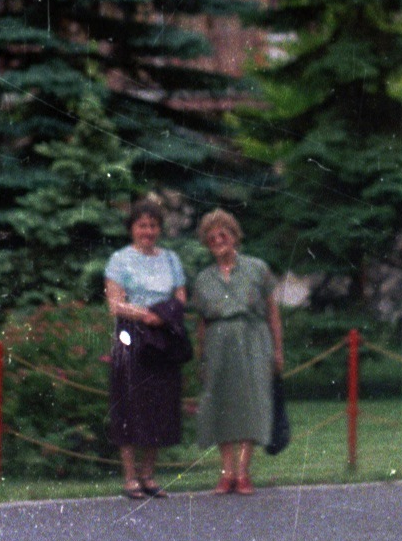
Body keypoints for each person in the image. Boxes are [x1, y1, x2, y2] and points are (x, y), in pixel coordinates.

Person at [192, 209, 283, 496]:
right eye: (212, 237)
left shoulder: (257, 268)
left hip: (253, 338)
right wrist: (202, 356)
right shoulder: (203, 279)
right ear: (207, 243)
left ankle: (243, 473)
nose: (219, 240)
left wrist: (277, 351)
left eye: (224, 235)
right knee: (221, 402)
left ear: (234, 236)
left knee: (252, 401)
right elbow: (202, 322)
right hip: (218, 342)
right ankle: (226, 472)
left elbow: (272, 312)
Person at [104, 197, 188, 500]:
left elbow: (180, 297)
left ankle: (149, 475)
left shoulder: (171, 259)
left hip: (164, 334)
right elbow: (115, 303)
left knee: (159, 403)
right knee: (129, 402)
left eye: (153, 225)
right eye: (142, 225)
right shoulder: (119, 259)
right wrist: (145, 315)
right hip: (132, 335)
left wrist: (161, 316)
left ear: (159, 229)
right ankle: (129, 478)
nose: (148, 231)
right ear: (132, 228)